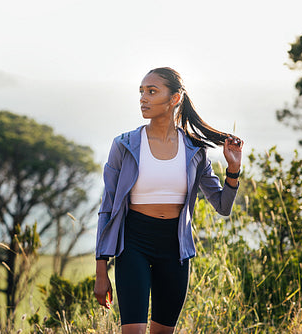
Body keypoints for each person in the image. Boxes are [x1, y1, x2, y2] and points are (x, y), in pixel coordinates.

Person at [93, 67, 244, 334]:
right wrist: (101, 269)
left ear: (175, 98)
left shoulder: (195, 151)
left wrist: (233, 170)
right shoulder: (125, 144)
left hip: (175, 248)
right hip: (133, 242)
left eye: (152, 91)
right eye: (141, 92)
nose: (143, 98)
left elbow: (222, 206)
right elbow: (107, 208)